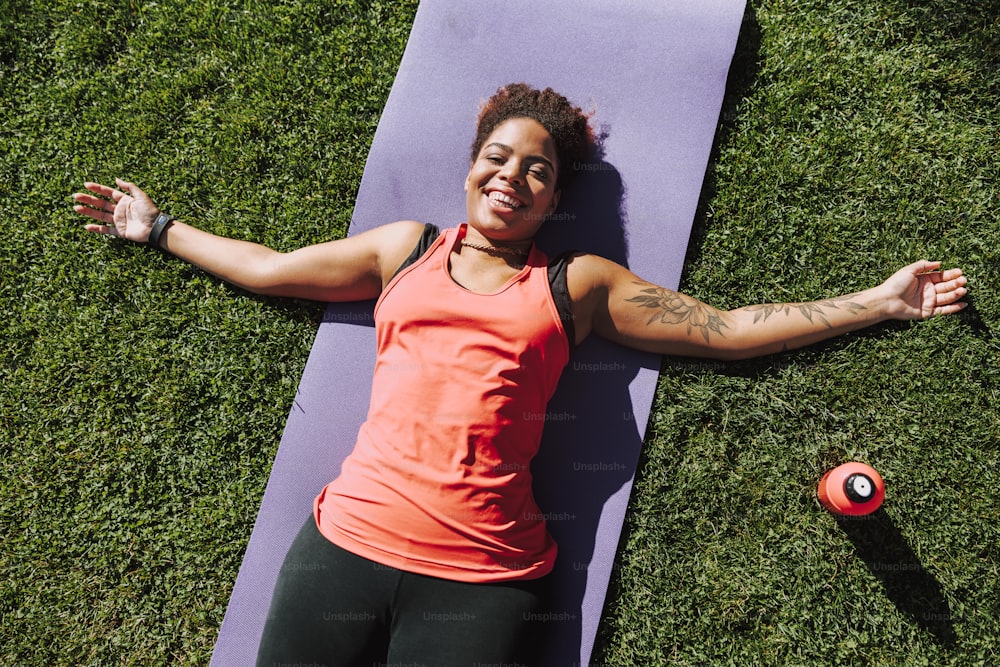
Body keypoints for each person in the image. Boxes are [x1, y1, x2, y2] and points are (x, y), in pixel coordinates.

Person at [72, 83, 968, 667]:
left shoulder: (574, 285)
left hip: (483, 575)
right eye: (498, 158)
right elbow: (273, 269)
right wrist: (157, 228)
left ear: (552, 196)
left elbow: (726, 329)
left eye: (537, 170)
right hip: (345, 546)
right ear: (471, 169)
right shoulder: (407, 250)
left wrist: (879, 301)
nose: (512, 176)